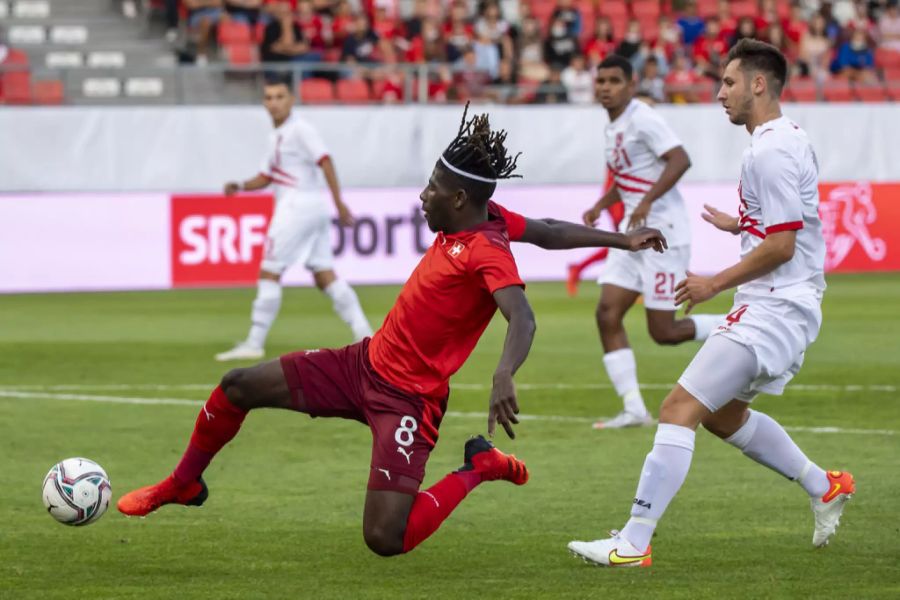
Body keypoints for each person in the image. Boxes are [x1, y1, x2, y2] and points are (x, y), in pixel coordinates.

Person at [117, 105, 668, 557]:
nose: (422, 196)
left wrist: (504, 373)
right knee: (238, 385)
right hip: (361, 365)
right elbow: (548, 230)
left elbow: (521, 314)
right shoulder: (487, 215)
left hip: (410, 401)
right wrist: (622, 238)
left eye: (431, 188)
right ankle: (183, 482)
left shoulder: (486, 248)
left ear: (456, 199)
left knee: (385, 538)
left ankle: (478, 468)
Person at [568, 39, 855, 568]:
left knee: (678, 409)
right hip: (785, 304)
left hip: (773, 307)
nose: (719, 92)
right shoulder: (787, 139)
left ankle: (633, 542)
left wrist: (712, 284)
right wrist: (741, 223)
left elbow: (783, 245)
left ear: (758, 84)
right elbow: (793, 225)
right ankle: (825, 484)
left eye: (728, 82)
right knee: (723, 416)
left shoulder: (770, 150)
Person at [585, 55, 724, 430]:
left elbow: (680, 159)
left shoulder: (643, 118)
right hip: (634, 236)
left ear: (631, 86)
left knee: (663, 332)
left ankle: (734, 326)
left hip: (663, 234)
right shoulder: (612, 128)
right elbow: (629, 177)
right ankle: (633, 409)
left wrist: (646, 201)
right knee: (606, 313)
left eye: (614, 81)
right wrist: (602, 204)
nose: (606, 87)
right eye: (601, 81)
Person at [215, 78, 372, 362]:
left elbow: (325, 160)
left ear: (291, 100)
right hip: (312, 209)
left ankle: (254, 341)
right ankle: (364, 333)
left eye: (279, 96)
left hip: (297, 208)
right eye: (268, 97)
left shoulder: (301, 129)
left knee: (270, 271)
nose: (273, 102)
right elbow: (266, 176)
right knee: (324, 274)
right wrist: (240, 185)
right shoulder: (276, 137)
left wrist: (339, 201)